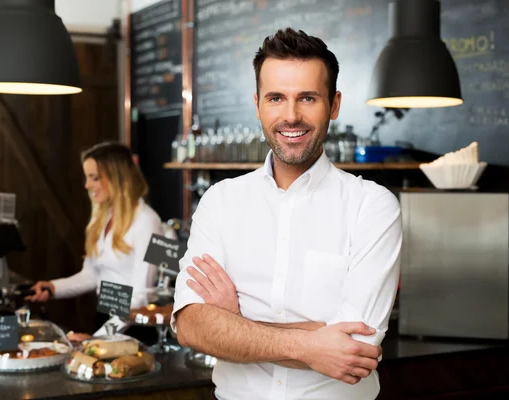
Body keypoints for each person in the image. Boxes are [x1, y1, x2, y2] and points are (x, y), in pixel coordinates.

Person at [172, 28, 402, 400]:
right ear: (258, 104)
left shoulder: (372, 206)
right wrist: (312, 344)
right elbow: (191, 327)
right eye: (276, 98)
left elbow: (355, 348)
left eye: (308, 98)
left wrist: (235, 324)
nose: (291, 116)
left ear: (335, 104)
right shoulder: (220, 201)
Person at [28, 141, 163, 341]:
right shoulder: (103, 216)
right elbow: (91, 275)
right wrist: (53, 288)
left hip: (134, 329)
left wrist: (96, 339)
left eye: (94, 178)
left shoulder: (148, 221)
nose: (87, 185)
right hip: (106, 319)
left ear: (118, 178)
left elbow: (141, 297)